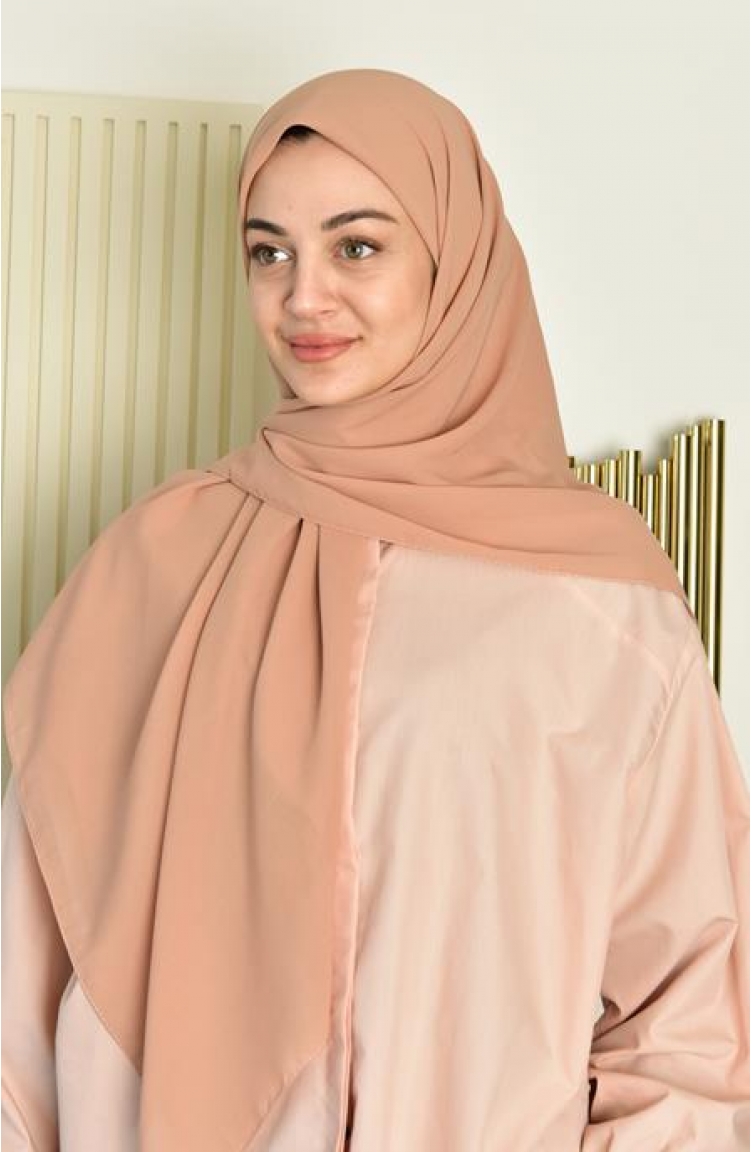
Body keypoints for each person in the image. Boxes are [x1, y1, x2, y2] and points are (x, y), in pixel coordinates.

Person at [1, 67, 748, 1152]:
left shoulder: (601, 605)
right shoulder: (156, 564)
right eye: (269, 253)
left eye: (356, 247)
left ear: (454, 260)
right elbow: (23, 975)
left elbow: (688, 1021)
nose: (304, 298)